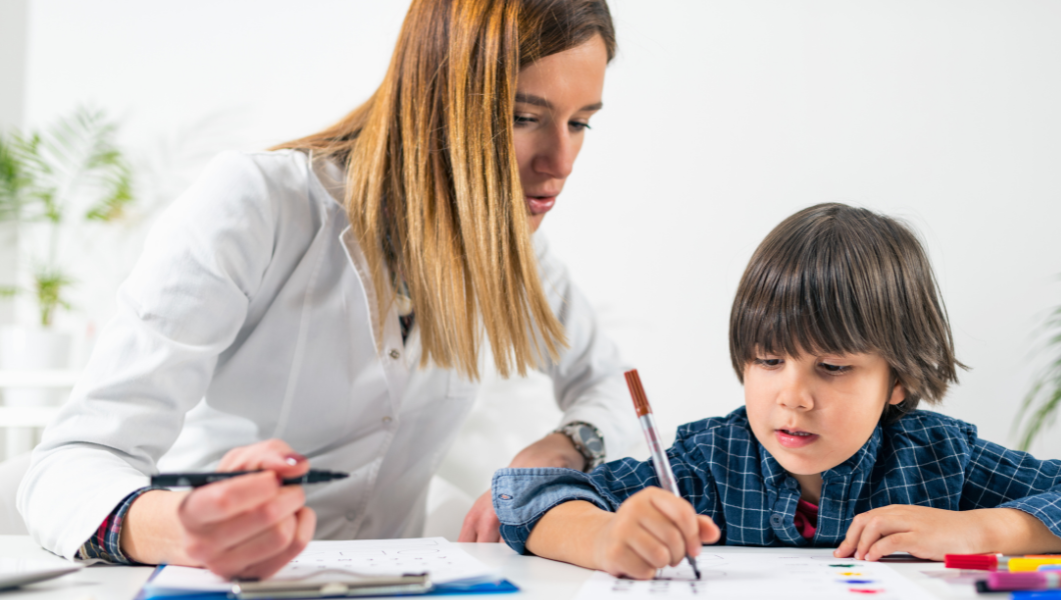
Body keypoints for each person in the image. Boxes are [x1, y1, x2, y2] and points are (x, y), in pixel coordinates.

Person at [18, 0, 636, 580]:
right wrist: (184, 528)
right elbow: (69, 463)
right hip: (211, 580)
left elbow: (616, 386)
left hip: (401, 582)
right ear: (436, 99)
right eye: (524, 118)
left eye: (580, 122)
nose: (561, 161)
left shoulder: (511, 247)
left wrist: (568, 445)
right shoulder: (259, 204)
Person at [491, 203, 1061, 580]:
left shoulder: (941, 461)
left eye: (833, 368)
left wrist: (981, 526)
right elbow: (525, 494)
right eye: (769, 360)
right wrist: (606, 536)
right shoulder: (708, 463)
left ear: (898, 377)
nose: (794, 396)